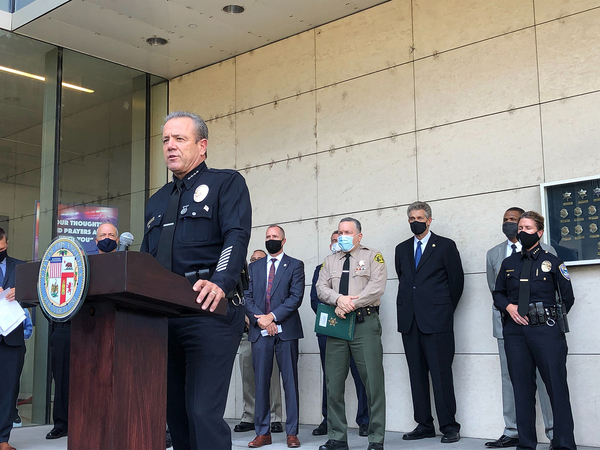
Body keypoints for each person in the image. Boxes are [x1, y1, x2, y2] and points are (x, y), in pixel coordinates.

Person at [141, 111, 251, 450]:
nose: (170, 146)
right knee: (176, 415)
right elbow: (146, 259)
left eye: (179, 139)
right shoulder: (156, 201)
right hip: (165, 318)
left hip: (208, 311)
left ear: (202, 146)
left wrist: (221, 281)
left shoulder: (226, 183)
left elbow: (236, 235)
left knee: (202, 413)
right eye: (165, 140)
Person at [493, 211, 576, 450]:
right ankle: (526, 444)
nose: (522, 232)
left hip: (546, 331)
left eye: (528, 228)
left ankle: (563, 445)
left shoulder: (553, 262)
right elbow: (498, 293)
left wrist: (548, 320)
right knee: (521, 390)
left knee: (556, 389)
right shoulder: (509, 263)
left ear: (539, 232)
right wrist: (509, 307)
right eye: (520, 228)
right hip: (516, 333)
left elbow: (568, 298)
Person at [395, 201, 464, 444]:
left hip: (437, 321)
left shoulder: (445, 246)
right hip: (410, 322)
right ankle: (424, 424)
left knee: (441, 374)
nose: (416, 222)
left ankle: (449, 426)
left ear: (429, 220)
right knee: (416, 375)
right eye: (412, 218)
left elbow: (456, 283)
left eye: (420, 218)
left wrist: (443, 310)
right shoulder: (401, 249)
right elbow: (405, 280)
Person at [485, 208, 554, 449]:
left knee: (545, 379)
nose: (509, 224)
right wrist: (509, 310)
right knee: (510, 379)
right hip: (508, 328)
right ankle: (513, 430)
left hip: (540, 327)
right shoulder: (494, 254)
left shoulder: (548, 251)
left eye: (514, 220)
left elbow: (556, 290)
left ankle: (554, 431)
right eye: (505, 220)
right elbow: (495, 290)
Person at [316, 217, 387, 450]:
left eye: (348, 232)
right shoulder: (329, 261)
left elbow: (376, 287)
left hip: (364, 323)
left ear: (359, 236)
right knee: (333, 383)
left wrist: (350, 304)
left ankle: (375, 438)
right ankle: (337, 437)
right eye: (340, 232)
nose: (343, 236)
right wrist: (338, 299)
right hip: (337, 325)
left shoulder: (373, 257)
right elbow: (320, 288)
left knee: (373, 383)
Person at [46, 221, 120, 440]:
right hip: (77, 323)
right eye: (103, 235)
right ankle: (62, 423)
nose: (107, 239)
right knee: (62, 364)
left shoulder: (125, 263)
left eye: (111, 235)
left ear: (118, 240)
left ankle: (105, 421)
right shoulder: (82, 263)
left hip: (113, 324)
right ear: (95, 241)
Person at [244, 226, 304, 449]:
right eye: (268, 237)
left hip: (286, 331)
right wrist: (262, 320)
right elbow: (247, 296)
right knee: (261, 383)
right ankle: (263, 433)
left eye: (275, 237)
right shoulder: (254, 267)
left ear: (283, 240)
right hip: (260, 331)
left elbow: (295, 297)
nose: (271, 240)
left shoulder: (295, 265)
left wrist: (272, 317)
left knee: (290, 382)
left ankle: (292, 433)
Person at [310, 230, 369, 437]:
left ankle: (365, 421)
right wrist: (337, 310)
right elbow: (315, 300)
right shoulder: (321, 268)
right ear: (330, 246)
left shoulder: (361, 264)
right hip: (331, 329)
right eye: (334, 241)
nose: (338, 243)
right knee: (331, 378)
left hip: (356, 327)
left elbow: (366, 294)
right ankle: (329, 420)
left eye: (341, 239)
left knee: (361, 375)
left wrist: (347, 309)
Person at [235, 249, 284, 435]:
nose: (255, 262)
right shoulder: (244, 279)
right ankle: (249, 416)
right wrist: (248, 318)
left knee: (272, 377)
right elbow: (238, 302)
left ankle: (275, 417)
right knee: (248, 377)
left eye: (259, 259)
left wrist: (267, 321)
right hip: (249, 333)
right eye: (252, 259)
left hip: (270, 332)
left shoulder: (274, 277)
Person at [0, 228, 25, 450]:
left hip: (12, 339)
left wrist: (22, 292)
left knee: (9, 391)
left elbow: (37, 297)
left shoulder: (21, 267)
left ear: (7, 243)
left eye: (1, 248)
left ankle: (3, 440)